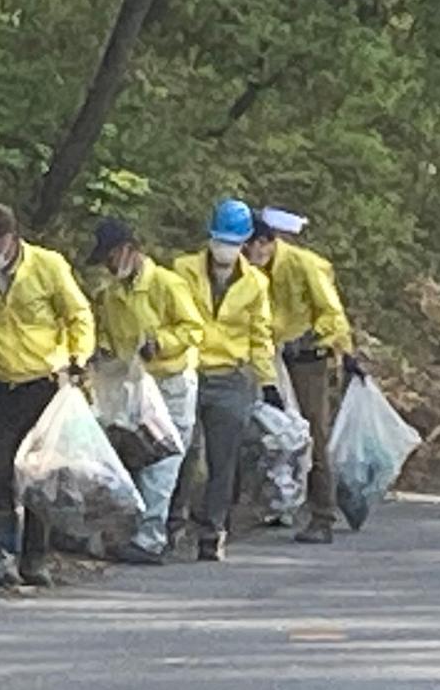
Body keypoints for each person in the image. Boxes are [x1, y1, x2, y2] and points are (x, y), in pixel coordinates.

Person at [0, 203, 96, 589]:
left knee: (39, 473)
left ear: (11, 238)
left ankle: (36, 558)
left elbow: (78, 314)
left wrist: (78, 357)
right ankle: (2, 555)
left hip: (42, 383)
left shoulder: (48, 266)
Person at [87, 216, 204, 565]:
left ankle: (151, 538)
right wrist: (102, 351)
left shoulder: (167, 284)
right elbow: (108, 333)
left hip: (170, 382)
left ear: (129, 250)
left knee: (163, 459)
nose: (109, 265)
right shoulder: (110, 294)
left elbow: (193, 329)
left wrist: (162, 344)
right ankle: (134, 531)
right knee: (136, 453)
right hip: (133, 383)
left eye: (111, 256)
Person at [245, 205, 363, 544]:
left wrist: (314, 337)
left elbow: (332, 315)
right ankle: (276, 503)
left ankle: (322, 515)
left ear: (265, 242)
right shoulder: (250, 272)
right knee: (271, 433)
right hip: (270, 358)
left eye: (250, 247)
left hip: (309, 360)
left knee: (313, 434)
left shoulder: (302, 265)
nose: (246, 255)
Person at [171, 198, 278, 563]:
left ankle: (213, 530)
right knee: (182, 451)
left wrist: (268, 382)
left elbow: (260, 334)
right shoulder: (183, 271)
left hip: (231, 377)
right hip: (187, 369)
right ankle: (171, 524)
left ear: (245, 242)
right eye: (220, 240)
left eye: (233, 242)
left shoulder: (255, 284)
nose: (225, 249)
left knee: (223, 459)